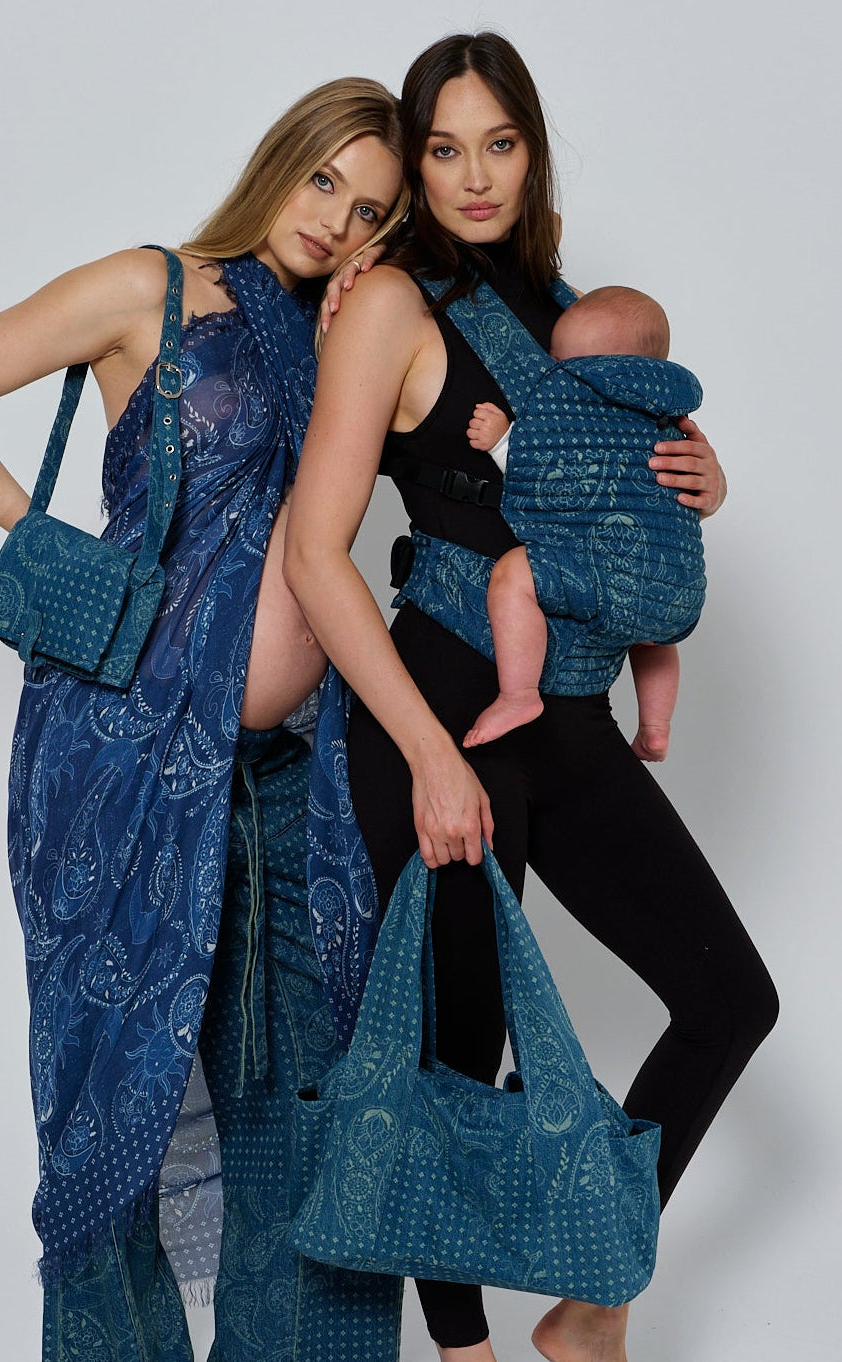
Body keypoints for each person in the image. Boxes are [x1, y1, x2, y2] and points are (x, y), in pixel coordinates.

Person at [0, 78, 408, 1362]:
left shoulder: (343, 328)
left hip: (297, 770)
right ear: (279, 163)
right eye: (325, 181)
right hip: (119, 761)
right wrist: (52, 555)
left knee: (299, 1083)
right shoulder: (149, 287)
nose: (335, 219)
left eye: (370, 211)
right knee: (113, 1085)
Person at [284, 33, 778, 1362]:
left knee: (729, 997)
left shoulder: (558, 297)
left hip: (561, 710)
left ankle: (590, 1301)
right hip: (437, 701)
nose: (471, 174)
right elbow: (314, 551)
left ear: (531, 148)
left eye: (496, 142)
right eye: (442, 148)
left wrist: (690, 473)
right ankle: (466, 1354)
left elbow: (597, 484)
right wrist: (427, 755)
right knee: (457, 1051)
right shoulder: (389, 302)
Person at [464, 285, 686, 758]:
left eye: (564, 362)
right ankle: (656, 724)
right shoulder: (666, 417)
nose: (554, 370)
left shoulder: (583, 409)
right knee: (652, 636)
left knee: (513, 575)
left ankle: (517, 696)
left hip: (601, 572)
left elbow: (551, 479)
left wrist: (503, 440)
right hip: (673, 584)